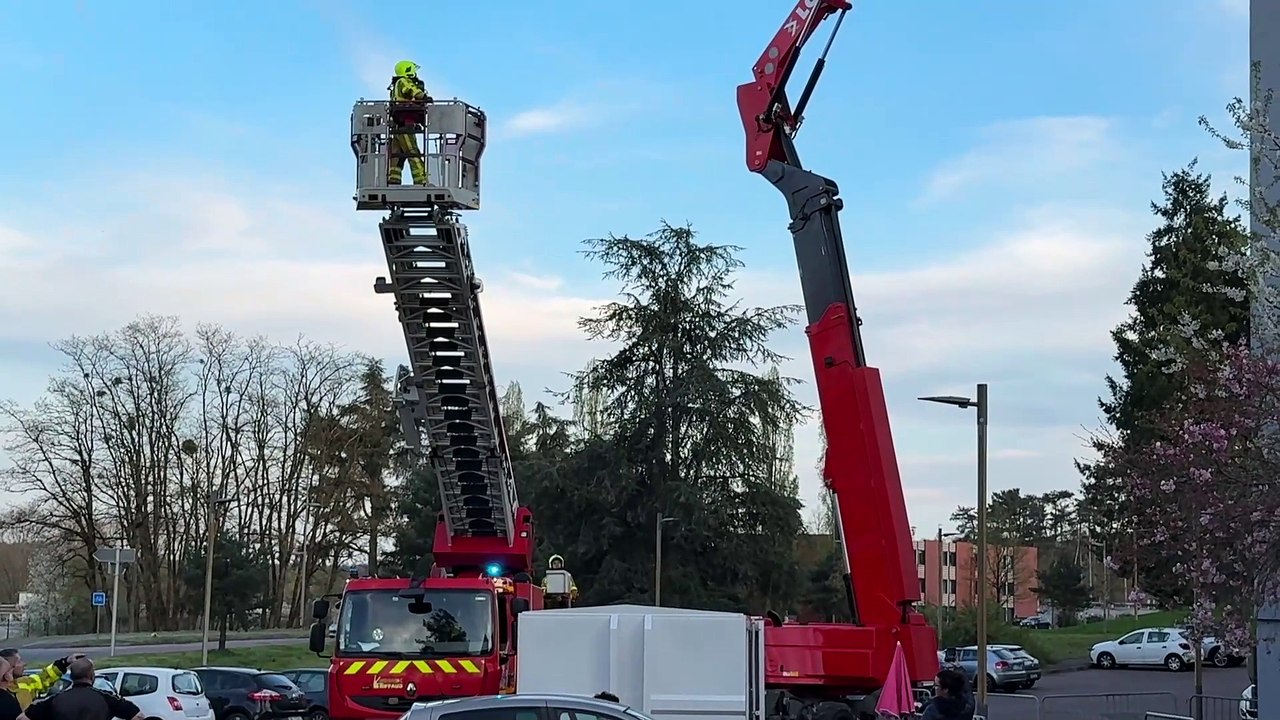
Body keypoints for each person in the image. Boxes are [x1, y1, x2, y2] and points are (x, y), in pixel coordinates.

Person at [18, 658, 141, 720]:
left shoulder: (55, 700)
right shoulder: (107, 698)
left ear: (71, 676)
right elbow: (138, 716)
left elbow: (22, 718)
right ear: (92, 675)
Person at [387, 60, 432, 186]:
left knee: (397, 155)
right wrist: (423, 96)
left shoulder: (395, 85)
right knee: (413, 152)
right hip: (404, 125)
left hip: (397, 126)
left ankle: (393, 179)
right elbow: (411, 89)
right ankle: (422, 180)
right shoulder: (403, 81)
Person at [0, 651, 80, 710]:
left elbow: (44, 678)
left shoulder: (24, 683)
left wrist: (64, 662)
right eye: (19, 661)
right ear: (9, 666)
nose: (24, 664)